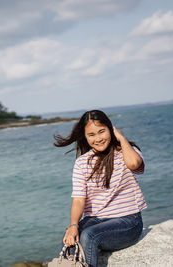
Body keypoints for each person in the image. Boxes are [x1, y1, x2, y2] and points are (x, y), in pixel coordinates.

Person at [53, 110, 147, 267]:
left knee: (90, 236)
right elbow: (78, 199)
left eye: (102, 131)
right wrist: (73, 225)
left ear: (111, 129)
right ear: (85, 137)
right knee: (70, 240)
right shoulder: (82, 163)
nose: (97, 139)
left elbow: (134, 164)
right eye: (91, 135)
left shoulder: (127, 152)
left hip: (129, 221)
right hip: (95, 219)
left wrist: (122, 138)